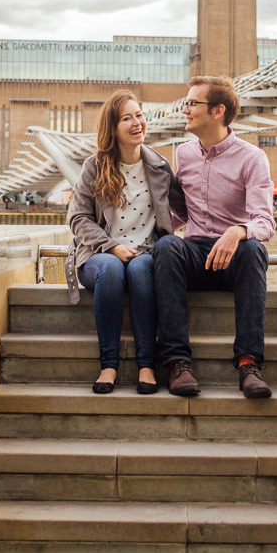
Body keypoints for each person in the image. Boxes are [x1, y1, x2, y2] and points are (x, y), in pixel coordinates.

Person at [153, 75, 276, 399]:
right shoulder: (184, 153)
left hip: (234, 258)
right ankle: (179, 363)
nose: (185, 109)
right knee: (165, 246)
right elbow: (183, 213)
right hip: (194, 255)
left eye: (192, 103)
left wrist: (237, 231)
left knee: (254, 251)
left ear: (218, 111)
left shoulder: (252, 158)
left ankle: (248, 365)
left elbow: (265, 221)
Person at [66, 90, 186, 395]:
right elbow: (78, 219)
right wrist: (111, 246)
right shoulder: (94, 167)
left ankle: (146, 365)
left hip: (144, 253)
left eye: (140, 115)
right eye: (127, 118)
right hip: (98, 255)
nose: (137, 123)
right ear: (113, 127)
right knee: (111, 269)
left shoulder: (159, 166)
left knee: (141, 268)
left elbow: (187, 210)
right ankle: (109, 364)